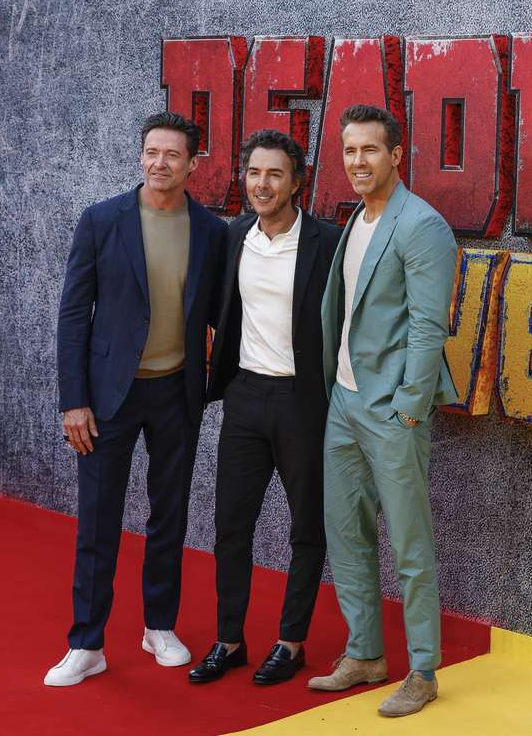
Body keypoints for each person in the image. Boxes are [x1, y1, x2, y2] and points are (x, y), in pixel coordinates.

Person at [47, 112, 227, 686]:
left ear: (193, 164)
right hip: (107, 399)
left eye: (172, 154)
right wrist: (74, 400)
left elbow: (221, 314)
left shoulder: (212, 231)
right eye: (151, 151)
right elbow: (75, 313)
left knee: (168, 516)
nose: (159, 162)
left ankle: (159, 626)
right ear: (141, 155)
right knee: (98, 520)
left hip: (176, 392)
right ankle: (87, 643)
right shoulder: (102, 220)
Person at [306, 104, 458, 717]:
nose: (358, 162)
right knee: (346, 533)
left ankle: (422, 669)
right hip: (343, 401)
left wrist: (410, 410)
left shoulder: (421, 226)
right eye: (349, 151)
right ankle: (366, 653)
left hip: (393, 410)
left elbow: (428, 325)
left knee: (410, 544)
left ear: (396, 154)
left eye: (370, 150)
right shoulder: (359, 221)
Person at [188, 130, 340, 685]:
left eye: (275, 174)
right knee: (230, 526)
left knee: (307, 528)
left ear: (298, 182)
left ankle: (291, 641)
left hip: (304, 401)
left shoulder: (328, 242)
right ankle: (229, 640)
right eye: (254, 172)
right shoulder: (234, 238)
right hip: (245, 397)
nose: (262, 184)